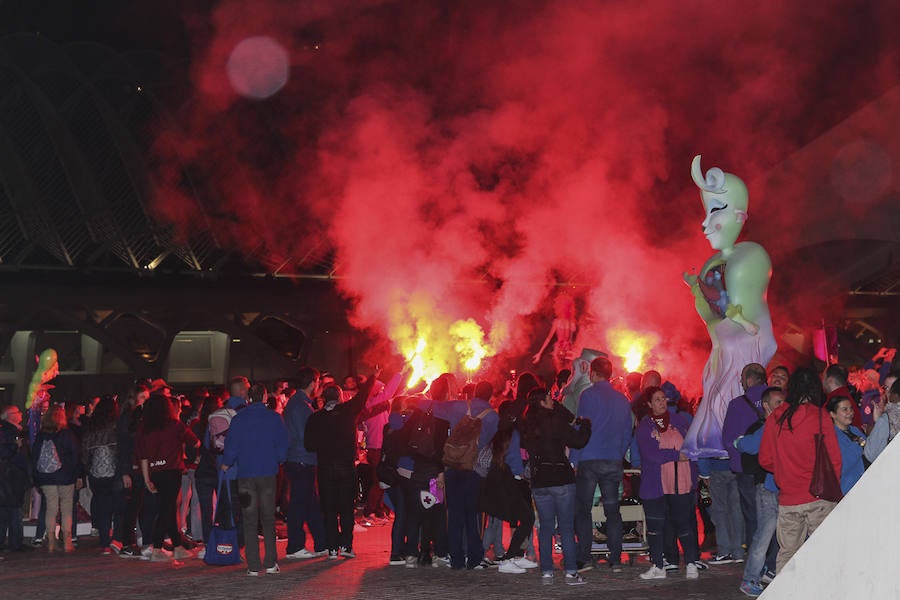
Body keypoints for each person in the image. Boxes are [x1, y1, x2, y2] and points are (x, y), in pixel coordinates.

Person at [682, 155, 778, 459]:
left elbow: (747, 319)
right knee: (716, 393)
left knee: (726, 396)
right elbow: (716, 318)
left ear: (740, 216)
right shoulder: (716, 262)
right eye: (705, 212)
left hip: (739, 352)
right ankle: (721, 447)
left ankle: (734, 446)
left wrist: (739, 320)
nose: (704, 223)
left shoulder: (751, 256)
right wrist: (699, 291)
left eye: (715, 212)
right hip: (723, 351)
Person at [759, 367, 841, 574]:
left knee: (787, 554)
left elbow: (765, 460)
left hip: (789, 499)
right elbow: (834, 459)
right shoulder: (821, 416)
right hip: (819, 497)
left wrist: (784, 469)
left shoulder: (776, 417)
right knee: (825, 553)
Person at [427, 374, 499, 570]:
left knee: (455, 514)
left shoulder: (459, 406)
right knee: (472, 515)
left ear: (475, 392)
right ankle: (474, 557)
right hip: (473, 469)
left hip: (452, 466)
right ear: (491, 396)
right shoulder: (493, 416)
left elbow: (433, 408)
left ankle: (456, 558)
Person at [522, 387, 591, 585]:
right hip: (561, 478)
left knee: (545, 527)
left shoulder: (528, 425)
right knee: (567, 528)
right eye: (549, 398)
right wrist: (586, 425)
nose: (553, 401)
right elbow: (578, 441)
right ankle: (570, 572)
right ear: (542, 402)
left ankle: (546, 572)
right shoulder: (554, 421)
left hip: (540, 481)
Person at [570, 356, 633, 572]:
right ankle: (615, 558)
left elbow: (581, 428)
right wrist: (618, 453)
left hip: (589, 458)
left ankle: (585, 557)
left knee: (583, 510)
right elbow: (627, 432)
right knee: (613, 511)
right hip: (612, 460)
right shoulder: (623, 400)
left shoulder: (587, 396)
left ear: (594, 373)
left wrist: (574, 459)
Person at [305, 374, 376, 558]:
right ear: (340, 397)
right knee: (346, 508)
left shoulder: (315, 418)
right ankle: (346, 546)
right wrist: (373, 376)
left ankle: (331, 548)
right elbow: (363, 396)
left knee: (328, 509)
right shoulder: (348, 411)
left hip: (325, 469)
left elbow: (309, 445)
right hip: (345, 467)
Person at [222, 383, 289, 576]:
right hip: (268, 474)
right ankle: (270, 562)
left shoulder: (239, 419)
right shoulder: (275, 418)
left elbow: (231, 446)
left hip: (245, 477)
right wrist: (277, 459)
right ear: (265, 397)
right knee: (268, 519)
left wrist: (226, 463)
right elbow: (283, 447)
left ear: (248, 399)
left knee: (249, 518)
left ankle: (253, 565)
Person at [634, 387, 701, 580]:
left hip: (680, 481)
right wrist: (676, 455)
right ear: (649, 404)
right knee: (655, 527)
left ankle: (690, 562)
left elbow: (691, 447)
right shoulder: (645, 427)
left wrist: (695, 471)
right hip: (655, 482)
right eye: (657, 400)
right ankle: (658, 565)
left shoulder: (680, 421)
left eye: (663, 399)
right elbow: (651, 454)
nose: (662, 402)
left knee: (684, 523)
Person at [135, 394, 200, 561]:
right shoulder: (174, 425)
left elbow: (142, 455)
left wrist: (146, 478)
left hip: (154, 471)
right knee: (167, 508)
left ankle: (177, 546)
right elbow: (195, 441)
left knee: (167, 508)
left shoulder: (144, 427)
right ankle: (156, 548)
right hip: (172, 470)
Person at [735, 387, 785, 597]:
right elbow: (747, 445)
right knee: (765, 534)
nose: (782, 406)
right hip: (767, 486)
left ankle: (765, 571)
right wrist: (739, 442)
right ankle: (750, 579)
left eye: (783, 402)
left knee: (778, 534)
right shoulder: (767, 426)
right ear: (765, 405)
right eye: (777, 402)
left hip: (780, 486)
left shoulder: (780, 424)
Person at [721, 363, 769, 561]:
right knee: (773, 514)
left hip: (746, 469)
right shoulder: (778, 399)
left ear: (749, 379)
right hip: (774, 469)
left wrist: (738, 454)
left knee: (752, 516)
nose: (741, 382)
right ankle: (773, 560)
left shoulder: (737, 404)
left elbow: (727, 439)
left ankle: (756, 561)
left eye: (742, 379)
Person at [284, 367, 328, 559]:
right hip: (301, 459)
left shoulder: (300, 403)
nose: (319, 386)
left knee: (310, 503)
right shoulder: (300, 406)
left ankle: (321, 543)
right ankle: (294, 546)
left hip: (301, 459)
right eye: (318, 382)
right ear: (313, 382)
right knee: (300, 503)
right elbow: (306, 435)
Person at [32, 404, 82, 553]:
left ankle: (52, 541)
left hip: (46, 477)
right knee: (67, 508)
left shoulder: (41, 435)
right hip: (66, 476)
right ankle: (67, 541)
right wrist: (78, 474)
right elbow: (75, 456)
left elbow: (34, 457)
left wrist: (36, 479)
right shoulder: (67, 433)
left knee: (50, 508)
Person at [81, 395, 122, 553]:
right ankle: (117, 539)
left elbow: (84, 450)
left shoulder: (92, 426)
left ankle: (105, 542)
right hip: (115, 471)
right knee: (119, 507)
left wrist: (87, 467)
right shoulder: (116, 426)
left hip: (96, 472)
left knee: (103, 506)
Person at [0, 403, 30, 553]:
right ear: (9, 416)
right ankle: (15, 542)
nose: (21, 414)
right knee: (12, 509)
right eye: (17, 412)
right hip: (11, 476)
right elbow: (5, 453)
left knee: (10, 509)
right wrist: (15, 446)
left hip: (12, 476)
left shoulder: (12, 430)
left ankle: (14, 541)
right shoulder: (7, 431)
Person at [826, 395, 866, 495]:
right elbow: (844, 463)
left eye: (851, 408)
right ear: (832, 414)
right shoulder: (831, 437)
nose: (850, 412)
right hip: (847, 489)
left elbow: (869, 450)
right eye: (845, 409)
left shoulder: (855, 430)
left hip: (864, 484)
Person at [532, 293, 578, 373]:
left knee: (568, 373)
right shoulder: (557, 322)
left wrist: (574, 351)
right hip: (559, 350)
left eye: (566, 307)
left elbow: (574, 340)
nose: (564, 309)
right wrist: (540, 353)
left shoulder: (572, 323)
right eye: (563, 307)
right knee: (560, 373)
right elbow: (548, 338)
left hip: (568, 350)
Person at [863, 376, 900, 464]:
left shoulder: (887, 418)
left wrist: (872, 433)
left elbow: (870, 455)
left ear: (894, 394)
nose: (887, 392)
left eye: (890, 389)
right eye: (886, 387)